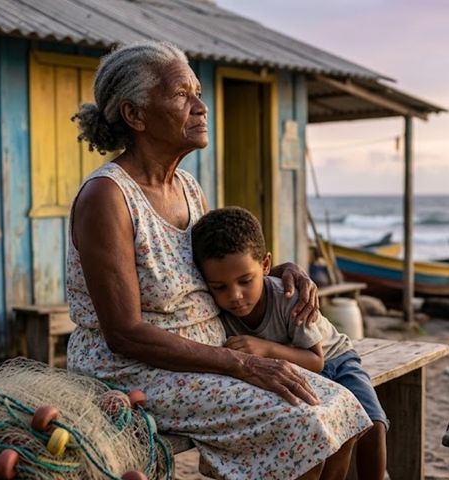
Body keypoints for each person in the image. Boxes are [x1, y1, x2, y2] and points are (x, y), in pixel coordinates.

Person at [67, 40, 371, 480]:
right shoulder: (107, 197)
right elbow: (124, 333)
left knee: (342, 408)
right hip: (136, 369)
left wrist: (282, 269)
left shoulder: (188, 187)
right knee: (303, 424)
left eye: (198, 92)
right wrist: (243, 363)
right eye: (180, 95)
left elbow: (216, 263)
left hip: (208, 357)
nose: (199, 107)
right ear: (135, 116)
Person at [191, 207, 389, 480]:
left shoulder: (289, 297)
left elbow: (316, 361)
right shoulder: (215, 311)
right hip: (294, 373)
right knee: (325, 438)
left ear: (264, 265)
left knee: (371, 426)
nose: (235, 296)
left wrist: (265, 349)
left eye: (245, 281)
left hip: (333, 359)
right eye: (219, 287)